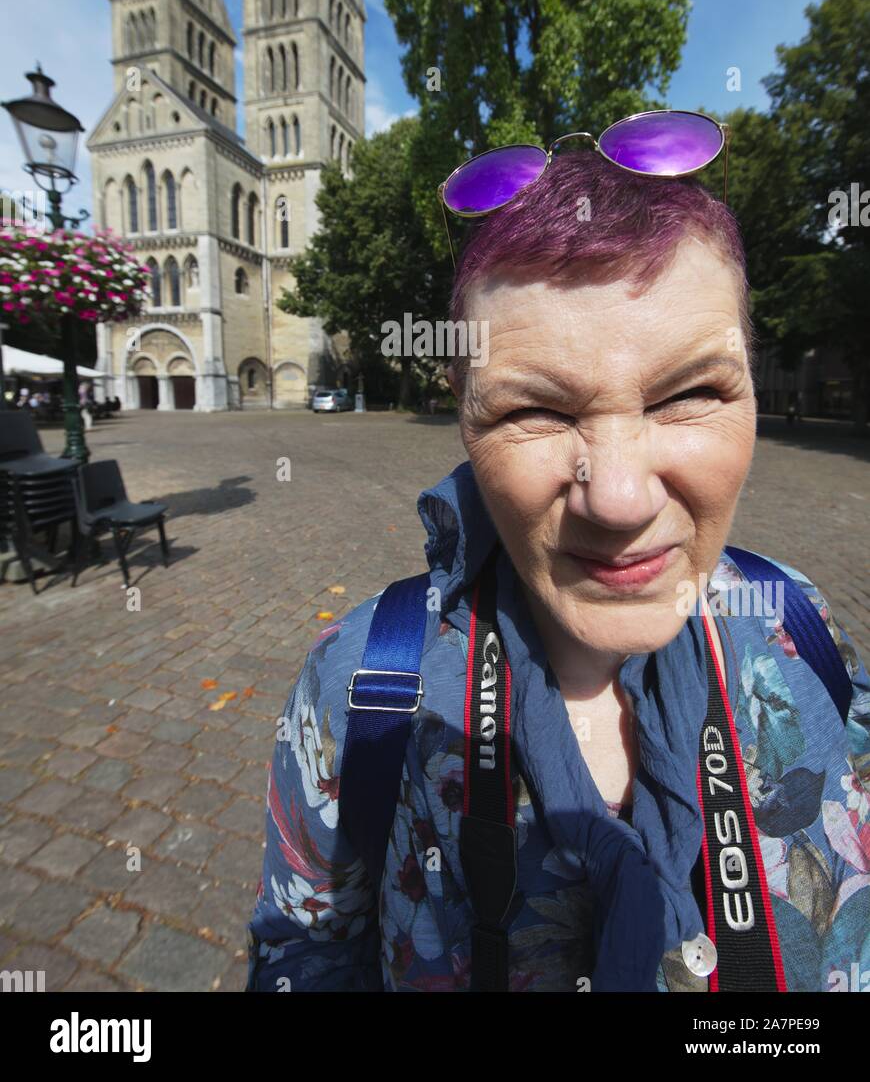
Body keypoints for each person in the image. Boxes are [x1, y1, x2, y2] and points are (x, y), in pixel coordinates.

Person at [247, 116, 870, 993]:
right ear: (463, 412)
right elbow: (301, 960)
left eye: (691, 391)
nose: (617, 499)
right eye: (534, 412)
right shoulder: (361, 686)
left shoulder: (800, 623)